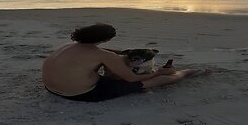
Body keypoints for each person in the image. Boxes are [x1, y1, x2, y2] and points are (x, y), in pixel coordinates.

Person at [42, 23, 199, 102]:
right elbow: (132, 78)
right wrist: (158, 72)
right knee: (149, 81)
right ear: (106, 39)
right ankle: (186, 72)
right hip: (80, 94)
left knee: (102, 66)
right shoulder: (103, 55)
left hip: (51, 88)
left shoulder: (67, 46)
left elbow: (97, 52)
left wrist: (123, 53)